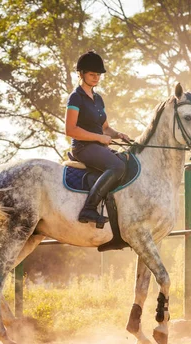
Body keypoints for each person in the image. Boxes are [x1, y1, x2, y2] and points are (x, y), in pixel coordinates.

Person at [65, 50, 131, 225]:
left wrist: (117, 134)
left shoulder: (98, 99)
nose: (96, 78)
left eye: (98, 75)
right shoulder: (76, 97)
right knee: (117, 166)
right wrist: (99, 138)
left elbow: (105, 128)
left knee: (127, 160)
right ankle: (89, 209)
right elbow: (70, 129)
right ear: (81, 74)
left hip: (98, 147)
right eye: (92, 74)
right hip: (83, 148)